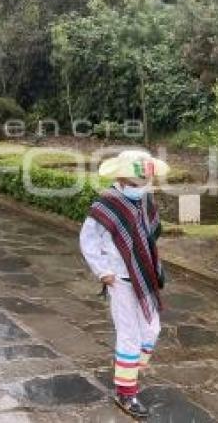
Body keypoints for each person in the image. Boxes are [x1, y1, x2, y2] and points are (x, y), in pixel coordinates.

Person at [79, 150, 169, 420]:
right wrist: (102, 271)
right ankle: (125, 392)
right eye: (133, 183)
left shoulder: (143, 199)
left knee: (152, 329)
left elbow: (149, 233)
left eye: (144, 183)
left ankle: (128, 370)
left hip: (144, 276)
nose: (139, 188)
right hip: (119, 279)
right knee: (129, 335)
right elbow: (88, 239)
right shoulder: (106, 205)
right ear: (119, 177)